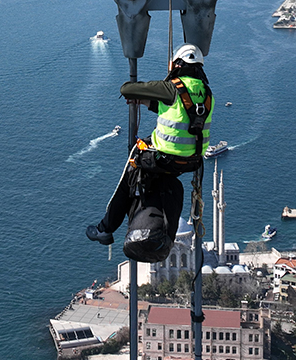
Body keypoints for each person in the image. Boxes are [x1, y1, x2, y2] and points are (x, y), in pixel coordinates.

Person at [86, 44, 214, 261]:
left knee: (132, 169)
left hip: (166, 158)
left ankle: (105, 228)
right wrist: (146, 102)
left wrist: (142, 93)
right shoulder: (205, 92)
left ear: (176, 64)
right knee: (152, 171)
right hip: (192, 161)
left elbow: (126, 89)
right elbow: (180, 112)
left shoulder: (171, 87)